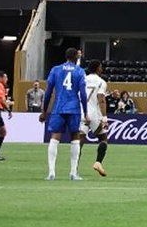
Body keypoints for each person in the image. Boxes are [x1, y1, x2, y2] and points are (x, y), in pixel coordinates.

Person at [41, 47, 88, 181]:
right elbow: (83, 94)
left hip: (58, 107)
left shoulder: (55, 70)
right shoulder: (80, 71)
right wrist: (86, 112)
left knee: (55, 137)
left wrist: (44, 111)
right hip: (73, 108)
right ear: (76, 57)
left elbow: (48, 92)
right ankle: (73, 172)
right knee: (75, 137)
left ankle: (51, 172)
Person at [84, 59, 110, 178]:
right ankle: (98, 162)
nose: (102, 69)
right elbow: (101, 99)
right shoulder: (101, 82)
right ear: (97, 68)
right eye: (100, 67)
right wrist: (104, 117)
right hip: (94, 113)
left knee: (78, 141)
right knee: (103, 138)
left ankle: (74, 170)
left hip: (81, 112)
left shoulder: (82, 79)